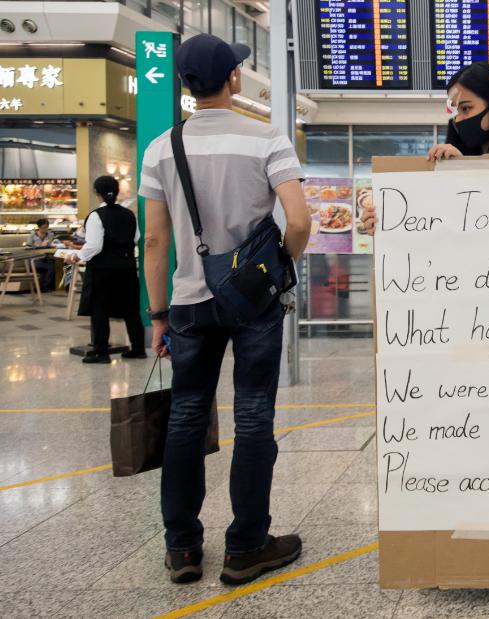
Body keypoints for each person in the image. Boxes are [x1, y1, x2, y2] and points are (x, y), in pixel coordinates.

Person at [139, 33, 311, 586]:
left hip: (189, 303)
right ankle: (246, 546)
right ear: (233, 79)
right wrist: (279, 266)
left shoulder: (163, 147)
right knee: (254, 415)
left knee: (188, 416)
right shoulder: (267, 139)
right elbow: (301, 221)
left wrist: (158, 314)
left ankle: (183, 548)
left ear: (187, 86)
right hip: (254, 303)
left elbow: (157, 242)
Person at [359, 62, 489, 232]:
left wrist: (467, 169)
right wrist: (384, 224)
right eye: (454, 111)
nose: (459, 119)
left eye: (466, 109)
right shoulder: (444, 163)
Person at [64, 176, 146, 364]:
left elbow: (94, 246)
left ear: (96, 192)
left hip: (102, 269)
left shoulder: (96, 215)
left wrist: (77, 256)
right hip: (127, 268)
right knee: (131, 310)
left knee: (99, 310)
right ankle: (138, 348)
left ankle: (102, 353)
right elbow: (135, 238)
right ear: (117, 191)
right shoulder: (128, 214)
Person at [25, 218, 59, 292]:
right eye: (43, 228)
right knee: (51, 266)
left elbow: (50, 245)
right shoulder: (32, 236)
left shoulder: (50, 235)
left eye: (46, 227)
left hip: (46, 258)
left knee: (57, 264)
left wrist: (52, 245)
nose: (45, 229)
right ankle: (46, 287)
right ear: (39, 227)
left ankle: (56, 287)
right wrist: (40, 245)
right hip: (34, 259)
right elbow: (27, 248)